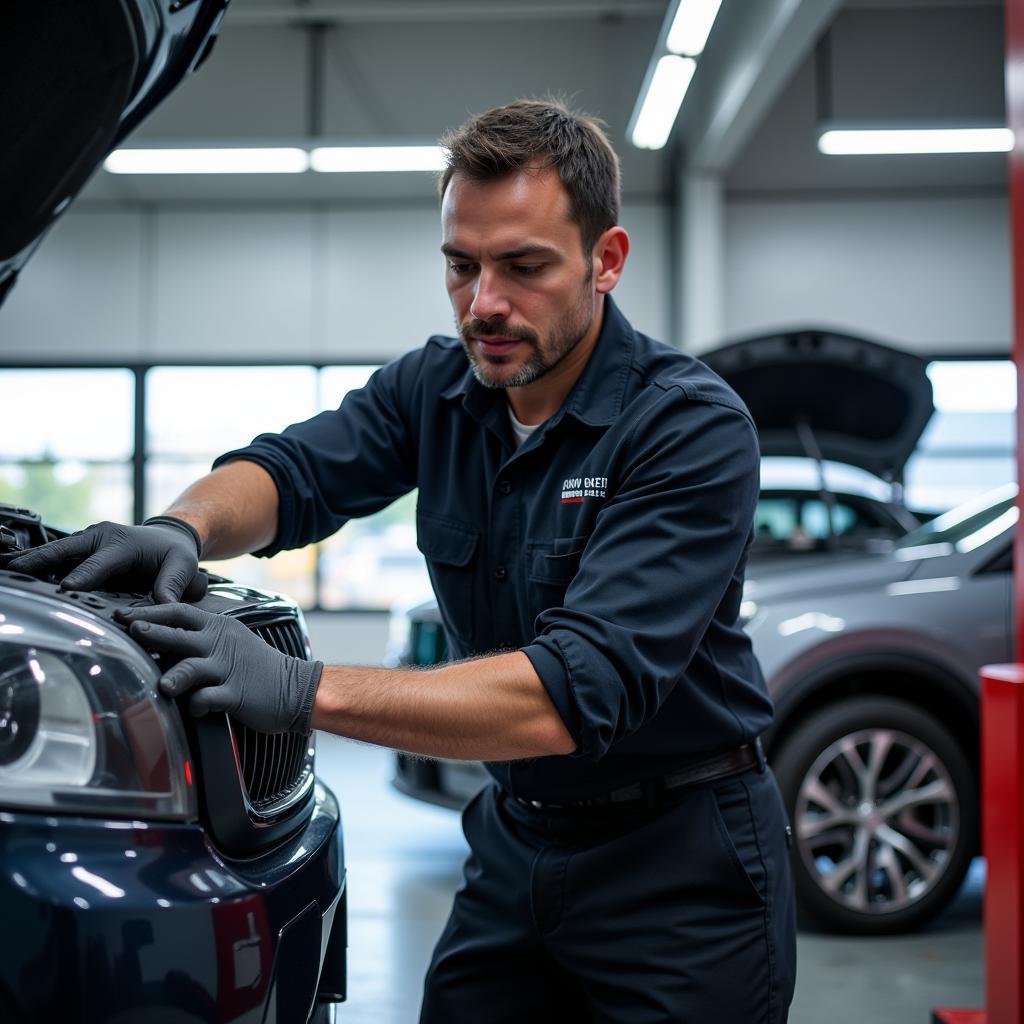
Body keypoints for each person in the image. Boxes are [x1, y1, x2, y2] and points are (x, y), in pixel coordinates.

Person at [8, 99, 797, 1022]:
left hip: (680, 862)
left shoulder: (686, 427)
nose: (485, 303)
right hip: (515, 840)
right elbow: (293, 471)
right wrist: (182, 528)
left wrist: (304, 690)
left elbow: (570, 692)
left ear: (606, 260)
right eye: (461, 267)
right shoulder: (440, 386)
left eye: (523, 267)